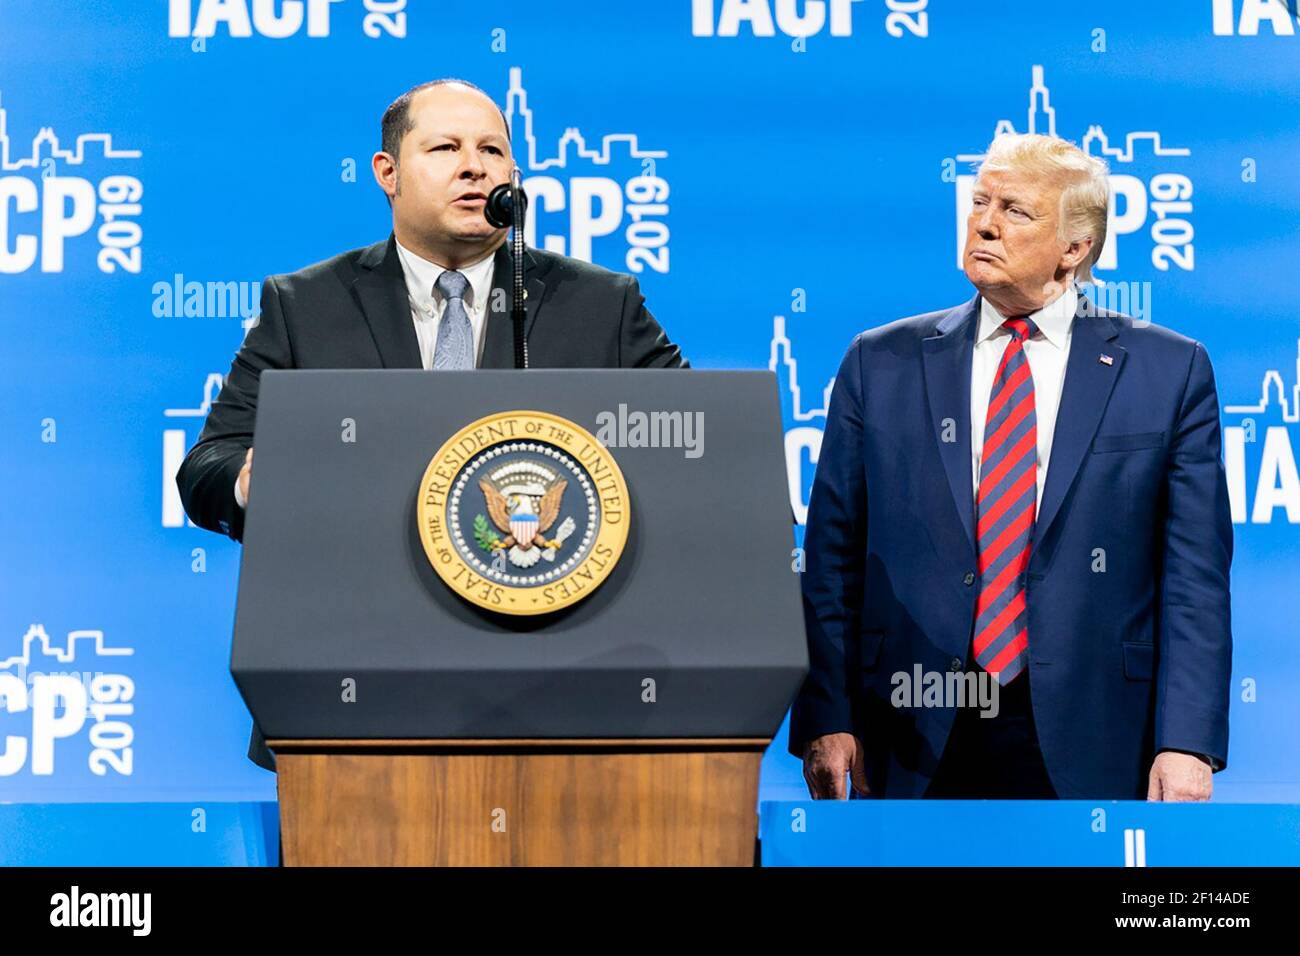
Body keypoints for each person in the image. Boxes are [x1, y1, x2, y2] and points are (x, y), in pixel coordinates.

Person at [178, 78, 687, 772]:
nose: (474, 166)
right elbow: (206, 468)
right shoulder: (306, 306)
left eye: (493, 151)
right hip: (354, 699)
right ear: (387, 173)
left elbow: (700, 445)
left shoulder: (600, 304)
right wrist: (250, 479)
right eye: (445, 147)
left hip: (565, 690)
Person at [791, 133, 1232, 801]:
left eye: (1016, 211)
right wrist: (827, 716)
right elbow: (830, 559)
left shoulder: (1169, 371)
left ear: (1075, 247)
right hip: (910, 726)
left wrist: (1187, 741)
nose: (984, 223)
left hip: (1097, 729)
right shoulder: (879, 363)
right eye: (978, 202)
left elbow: (1193, 580)